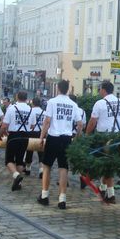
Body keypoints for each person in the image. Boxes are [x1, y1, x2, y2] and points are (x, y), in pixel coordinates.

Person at [37, 80, 82, 209]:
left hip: (53, 137)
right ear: (68, 89)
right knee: (63, 168)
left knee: (47, 167)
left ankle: (44, 196)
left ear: (58, 88)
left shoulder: (52, 102)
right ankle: (62, 199)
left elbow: (47, 121)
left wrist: (41, 137)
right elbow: (80, 124)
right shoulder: (73, 104)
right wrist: (77, 137)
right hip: (66, 138)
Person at [85, 80, 120, 204]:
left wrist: (86, 135)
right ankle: (103, 188)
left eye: (100, 89)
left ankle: (111, 193)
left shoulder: (100, 103)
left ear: (103, 90)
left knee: (107, 164)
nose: (99, 92)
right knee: (109, 163)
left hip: (104, 137)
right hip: (118, 136)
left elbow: (92, 122)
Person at [0, 91, 32, 192]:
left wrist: (1, 134)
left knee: (9, 160)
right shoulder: (30, 109)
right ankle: (18, 183)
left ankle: (16, 175)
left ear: (17, 97)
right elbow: (32, 125)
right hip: (25, 137)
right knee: (19, 160)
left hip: (14, 136)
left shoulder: (12, 108)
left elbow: (4, 125)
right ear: (26, 98)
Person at [25, 97, 46, 178]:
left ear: (32, 103)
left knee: (29, 151)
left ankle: (28, 169)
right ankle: (41, 170)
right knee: (41, 152)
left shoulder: (30, 111)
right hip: (41, 132)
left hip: (32, 132)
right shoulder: (44, 112)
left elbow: (29, 124)